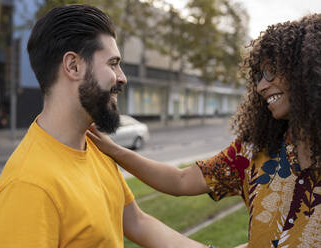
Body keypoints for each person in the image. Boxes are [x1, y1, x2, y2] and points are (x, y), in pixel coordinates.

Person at [88, 14, 321, 248]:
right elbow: (180, 181)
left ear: (307, 70)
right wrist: (114, 151)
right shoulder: (251, 152)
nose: (261, 86)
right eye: (259, 76)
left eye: (271, 71)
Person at [0, 4, 207, 248]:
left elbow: (137, 222)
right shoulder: (27, 187)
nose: (122, 77)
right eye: (113, 63)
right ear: (73, 66)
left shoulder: (95, 147)